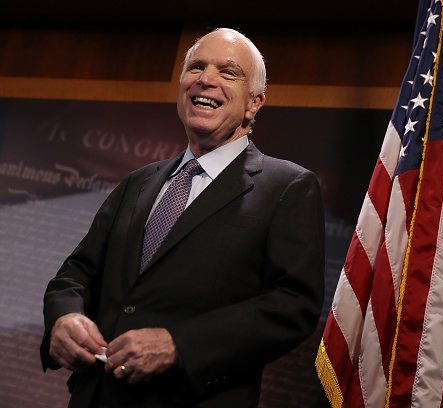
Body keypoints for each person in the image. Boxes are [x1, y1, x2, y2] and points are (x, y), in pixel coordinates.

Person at [40, 28, 325, 408]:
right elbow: (78, 271)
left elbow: (293, 304)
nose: (206, 79)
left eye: (228, 72)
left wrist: (179, 345)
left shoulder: (288, 187)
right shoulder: (138, 182)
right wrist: (63, 320)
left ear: (254, 103)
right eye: (196, 67)